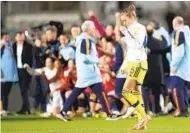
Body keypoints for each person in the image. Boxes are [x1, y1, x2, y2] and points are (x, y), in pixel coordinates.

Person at [58, 20, 112, 122]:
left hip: (87, 72)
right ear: (89, 29)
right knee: (99, 92)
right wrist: (97, 61)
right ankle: (109, 114)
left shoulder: (85, 40)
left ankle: (63, 112)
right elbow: (84, 58)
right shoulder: (86, 40)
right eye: (93, 28)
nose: (95, 30)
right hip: (88, 73)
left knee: (84, 92)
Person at [119, 5, 149, 130]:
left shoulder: (139, 28)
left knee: (126, 92)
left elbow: (139, 44)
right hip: (133, 62)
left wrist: (126, 32)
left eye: (125, 20)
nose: (124, 23)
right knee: (136, 92)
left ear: (131, 17)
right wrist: (125, 64)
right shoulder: (131, 29)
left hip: (138, 63)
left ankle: (144, 116)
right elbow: (130, 49)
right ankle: (142, 124)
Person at [142, 24, 164, 115]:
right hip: (157, 70)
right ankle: (156, 110)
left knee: (145, 90)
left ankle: (146, 110)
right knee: (156, 92)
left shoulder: (143, 44)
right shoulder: (159, 42)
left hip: (146, 69)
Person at [170, 16, 190, 117]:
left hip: (179, 68)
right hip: (187, 67)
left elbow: (179, 51)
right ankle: (185, 109)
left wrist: (174, 65)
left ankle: (181, 111)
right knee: (184, 90)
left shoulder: (178, 32)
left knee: (177, 90)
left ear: (175, 24)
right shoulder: (187, 32)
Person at [12, 32, 33, 114]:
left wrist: (28, 64)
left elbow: (31, 57)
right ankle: (25, 107)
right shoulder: (14, 46)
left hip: (25, 69)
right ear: (15, 37)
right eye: (18, 36)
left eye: (21, 36)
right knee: (22, 89)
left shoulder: (28, 46)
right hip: (17, 68)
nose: (20, 37)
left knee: (25, 88)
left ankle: (27, 108)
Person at [0, 33, 18, 115]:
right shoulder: (1, 45)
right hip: (3, 72)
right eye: (5, 36)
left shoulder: (10, 45)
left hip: (11, 72)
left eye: (8, 36)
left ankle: (5, 108)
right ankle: (1, 109)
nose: (7, 37)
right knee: (2, 92)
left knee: (7, 92)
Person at [30, 38, 49, 114]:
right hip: (36, 71)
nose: (40, 43)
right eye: (38, 41)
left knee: (44, 90)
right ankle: (35, 107)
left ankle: (43, 108)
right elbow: (36, 56)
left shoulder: (44, 49)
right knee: (37, 90)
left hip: (44, 70)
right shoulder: (34, 49)